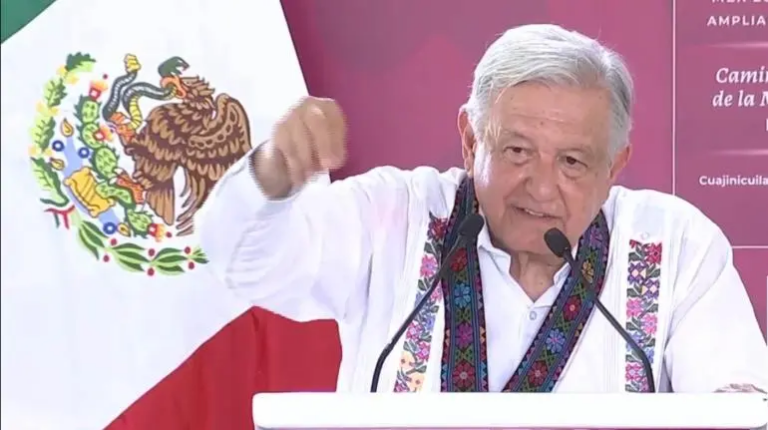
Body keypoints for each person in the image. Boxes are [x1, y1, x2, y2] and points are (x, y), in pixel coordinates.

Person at [197, 24, 768, 393]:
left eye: (572, 162)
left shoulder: (676, 248)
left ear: (615, 166)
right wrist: (273, 171)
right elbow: (245, 262)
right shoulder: (395, 216)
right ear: (471, 141)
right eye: (517, 151)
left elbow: (736, 404)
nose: (541, 188)